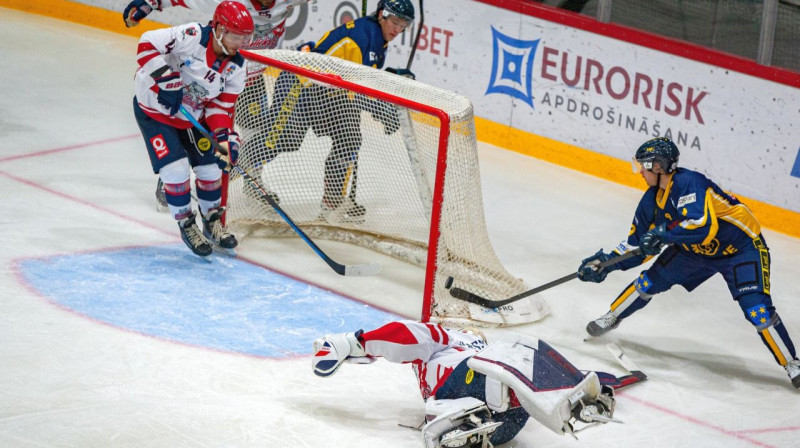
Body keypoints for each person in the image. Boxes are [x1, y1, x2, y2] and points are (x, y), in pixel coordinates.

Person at [576, 136, 800, 389]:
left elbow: (701, 226)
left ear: (658, 166)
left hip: (741, 249)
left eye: (643, 166)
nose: (639, 172)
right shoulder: (651, 200)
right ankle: (612, 316)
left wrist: (663, 234)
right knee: (648, 282)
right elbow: (635, 246)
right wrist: (604, 264)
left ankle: (792, 363)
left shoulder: (690, 183)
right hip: (694, 252)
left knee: (757, 310)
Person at [312, 320, 645, 448]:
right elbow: (408, 334)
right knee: (520, 348)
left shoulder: (486, 349)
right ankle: (460, 422)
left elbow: (538, 372)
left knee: (518, 371)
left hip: (505, 423)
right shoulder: (452, 340)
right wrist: (351, 342)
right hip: (463, 383)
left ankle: (463, 430)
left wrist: (599, 382)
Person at [122, 0, 312, 210]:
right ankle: (170, 182)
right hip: (217, 78)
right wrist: (152, 3)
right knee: (194, 132)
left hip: (251, 77)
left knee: (253, 131)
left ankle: (252, 181)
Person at [240, 0, 415, 222]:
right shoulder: (360, 37)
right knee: (284, 139)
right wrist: (380, 108)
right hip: (301, 83)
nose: (398, 30)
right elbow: (351, 87)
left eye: (403, 26)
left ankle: (331, 204)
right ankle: (243, 171)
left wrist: (391, 80)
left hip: (331, 93)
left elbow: (360, 79)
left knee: (349, 138)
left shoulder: (378, 38)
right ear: (382, 15)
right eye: (395, 22)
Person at [131, 1, 254, 257]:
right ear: (218, 28)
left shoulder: (237, 67)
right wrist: (166, 80)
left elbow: (220, 108)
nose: (239, 43)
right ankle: (186, 223)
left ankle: (212, 223)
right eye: (234, 35)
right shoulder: (192, 36)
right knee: (175, 170)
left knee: (210, 168)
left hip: (191, 116)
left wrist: (225, 139)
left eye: (245, 38)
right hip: (155, 111)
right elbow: (145, 44)